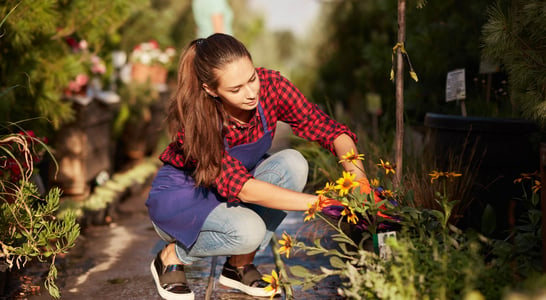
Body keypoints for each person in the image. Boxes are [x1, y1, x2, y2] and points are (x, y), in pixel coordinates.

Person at [146, 33, 366, 300]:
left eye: (251, 78)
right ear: (210, 90)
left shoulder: (271, 86)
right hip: (185, 198)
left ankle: (238, 267)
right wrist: (324, 203)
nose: (252, 93)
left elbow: (329, 130)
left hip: (231, 191)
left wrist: (358, 179)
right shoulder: (198, 119)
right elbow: (244, 189)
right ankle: (172, 255)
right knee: (248, 231)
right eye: (236, 89)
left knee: (293, 163)